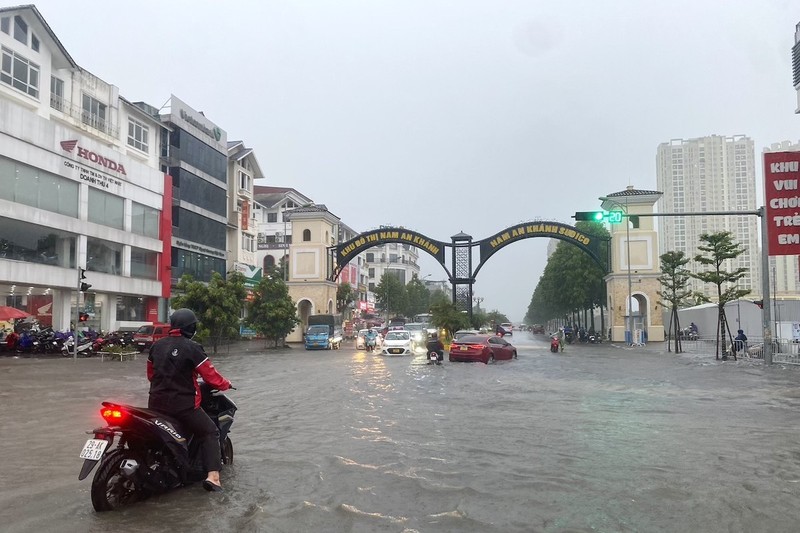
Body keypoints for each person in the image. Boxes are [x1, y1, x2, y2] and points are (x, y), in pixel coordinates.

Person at [147, 308, 233, 493]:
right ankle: (214, 477)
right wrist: (226, 384)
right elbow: (210, 376)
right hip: (183, 406)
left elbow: (151, 375)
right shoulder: (192, 347)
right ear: (191, 327)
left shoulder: (156, 346)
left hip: (155, 405)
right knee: (210, 432)